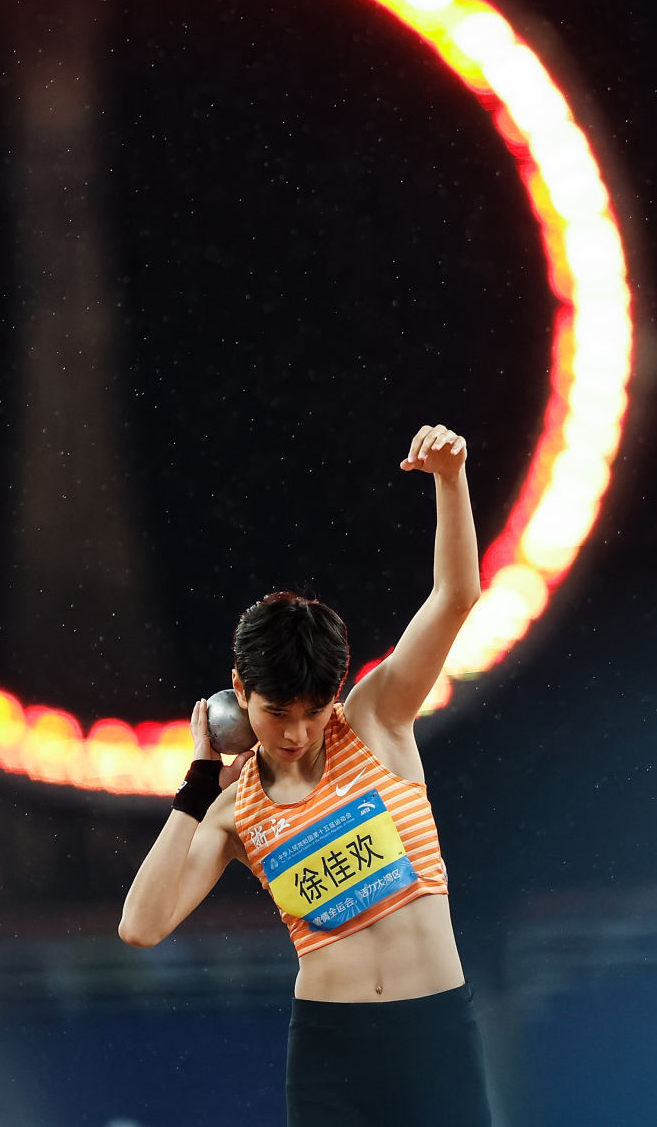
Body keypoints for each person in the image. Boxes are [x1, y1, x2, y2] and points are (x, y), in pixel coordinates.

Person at [119, 424, 493, 1126]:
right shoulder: (234, 813)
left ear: (335, 695)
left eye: (313, 712)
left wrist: (451, 478)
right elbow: (141, 927)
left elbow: (455, 597)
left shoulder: (376, 720)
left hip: (434, 1034)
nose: (295, 733)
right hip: (330, 1053)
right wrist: (198, 787)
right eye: (276, 713)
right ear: (239, 691)